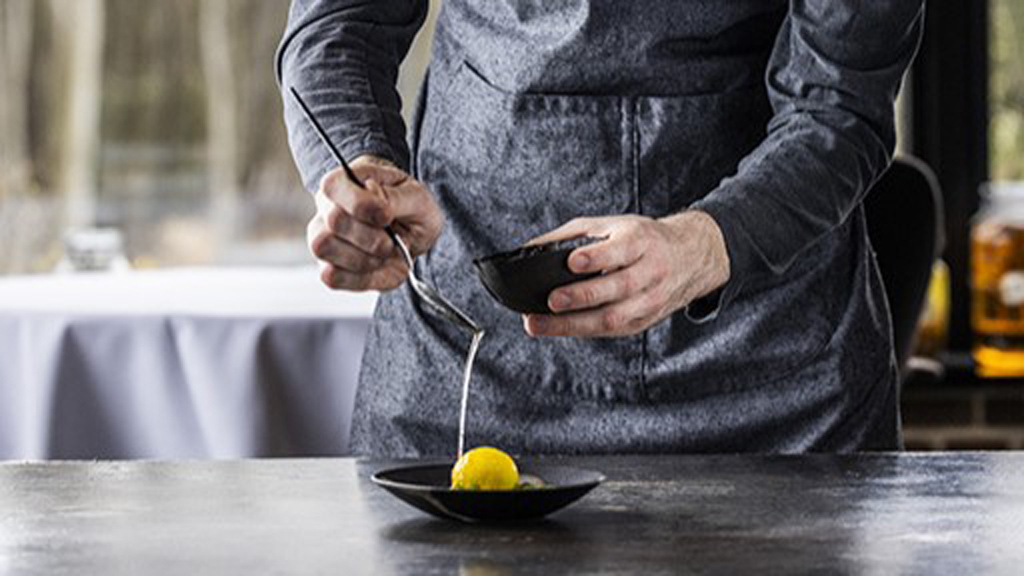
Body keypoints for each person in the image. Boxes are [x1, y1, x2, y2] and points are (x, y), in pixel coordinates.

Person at [277, 1, 925, 456]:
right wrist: (359, 164)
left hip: (774, 376)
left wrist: (706, 242)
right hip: (468, 362)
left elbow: (839, 104)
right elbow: (340, 24)